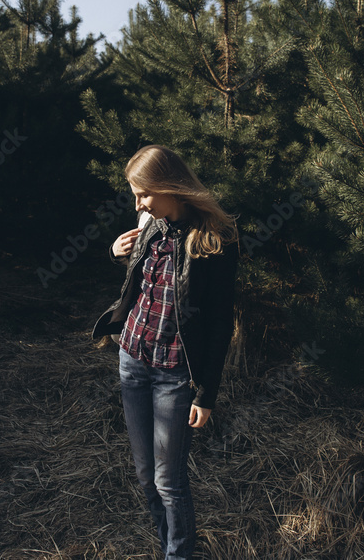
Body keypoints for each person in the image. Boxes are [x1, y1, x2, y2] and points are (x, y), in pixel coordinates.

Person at [91, 144, 240, 560]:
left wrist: (206, 393)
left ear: (170, 187)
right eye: (135, 195)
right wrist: (116, 252)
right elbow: (143, 283)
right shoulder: (149, 223)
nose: (137, 203)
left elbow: (219, 323)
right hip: (133, 360)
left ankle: (179, 555)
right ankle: (168, 546)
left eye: (143, 193)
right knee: (145, 476)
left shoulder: (214, 241)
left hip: (175, 376)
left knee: (168, 481)